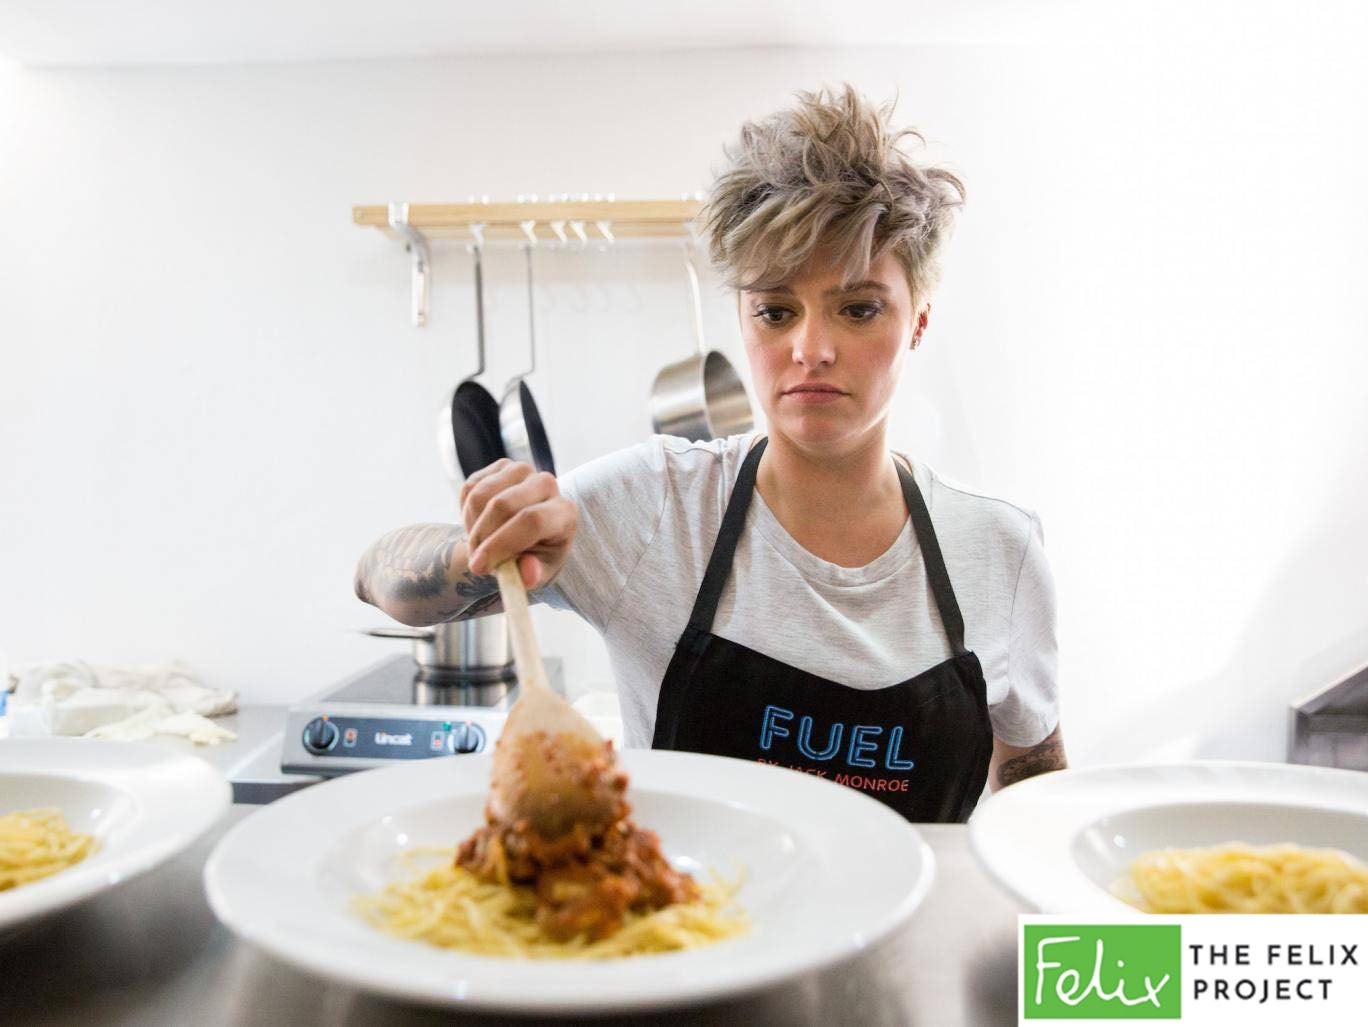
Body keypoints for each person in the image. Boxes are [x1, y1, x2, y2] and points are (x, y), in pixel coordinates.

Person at [355, 83, 1066, 822]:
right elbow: (377, 575)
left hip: (917, 941)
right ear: (741, 315)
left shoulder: (999, 550)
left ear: (917, 318)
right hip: (687, 933)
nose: (811, 349)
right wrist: (481, 546)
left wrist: (1121, 945)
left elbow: (1037, 792)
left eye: (858, 309)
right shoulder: (654, 507)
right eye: (775, 310)